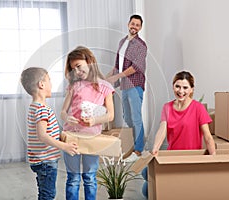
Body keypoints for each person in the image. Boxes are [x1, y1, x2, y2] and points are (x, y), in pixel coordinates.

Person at [142, 71, 216, 199]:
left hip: (190, 157)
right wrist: (155, 148)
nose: (181, 91)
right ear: (173, 86)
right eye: (178, 86)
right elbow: (162, 129)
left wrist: (214, 159)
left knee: (146, 190)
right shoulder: (167, 107)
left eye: (185, 87)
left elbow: (208, 136)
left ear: (192, 89)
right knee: (145, 174)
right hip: (172, 155)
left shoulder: (198, 108)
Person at [61, 46, 115, 200]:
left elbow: (110, 115)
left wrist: (94, 121)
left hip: (92, 137)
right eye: (73, 69)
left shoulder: (105, 87)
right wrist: (66, 118)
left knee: (90, 178)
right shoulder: (74, 85)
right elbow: (63, 111)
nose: (77, 71)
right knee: (73, 178)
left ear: (89, 61)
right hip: (72, 137)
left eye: (78, 66)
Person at [20, 67, 79, 200]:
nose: (51, 84)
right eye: (49, 80)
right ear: (41, 84)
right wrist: (65, 147)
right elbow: (42, 136)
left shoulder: (34, 107)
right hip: (46, 161)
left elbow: (46, 133)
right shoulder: (42, 109)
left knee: (44, 192)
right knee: (48, 195)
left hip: (40, 160)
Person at [106, 14, 147, 162]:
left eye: (137, 25)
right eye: (133, 24)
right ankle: (134, 145)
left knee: (136, 118)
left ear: (140, 27)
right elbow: (117, 65)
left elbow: (136, 67)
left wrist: (117, 77)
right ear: (128, 24)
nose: (134, 27)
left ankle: (139, 150)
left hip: (135, 85)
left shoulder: (141, 45)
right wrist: (106, 78)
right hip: (124, 85)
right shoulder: (122, 42)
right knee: (127, 118)